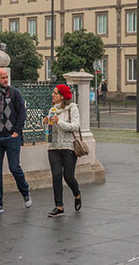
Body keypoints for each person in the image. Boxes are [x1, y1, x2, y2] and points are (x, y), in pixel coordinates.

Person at [0, 68, 31, 214]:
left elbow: (22, 113)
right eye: (2, 77)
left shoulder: (14, 93)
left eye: (6, 77)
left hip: (12, 137)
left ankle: (25, 192)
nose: (5, 80)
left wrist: (17, 132)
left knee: (14, 168)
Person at [46, 84, 82, 217]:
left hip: (68, 147)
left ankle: (77, 194)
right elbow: (49, 129)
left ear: (62, 96)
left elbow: (75, 126)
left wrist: (59, 121)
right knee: (56, 175)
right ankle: (59, 206)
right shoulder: (52, 109)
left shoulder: (72, 108)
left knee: (68, 177)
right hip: (54, 147)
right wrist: (45, 122)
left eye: (55, 93)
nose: (52, 95)